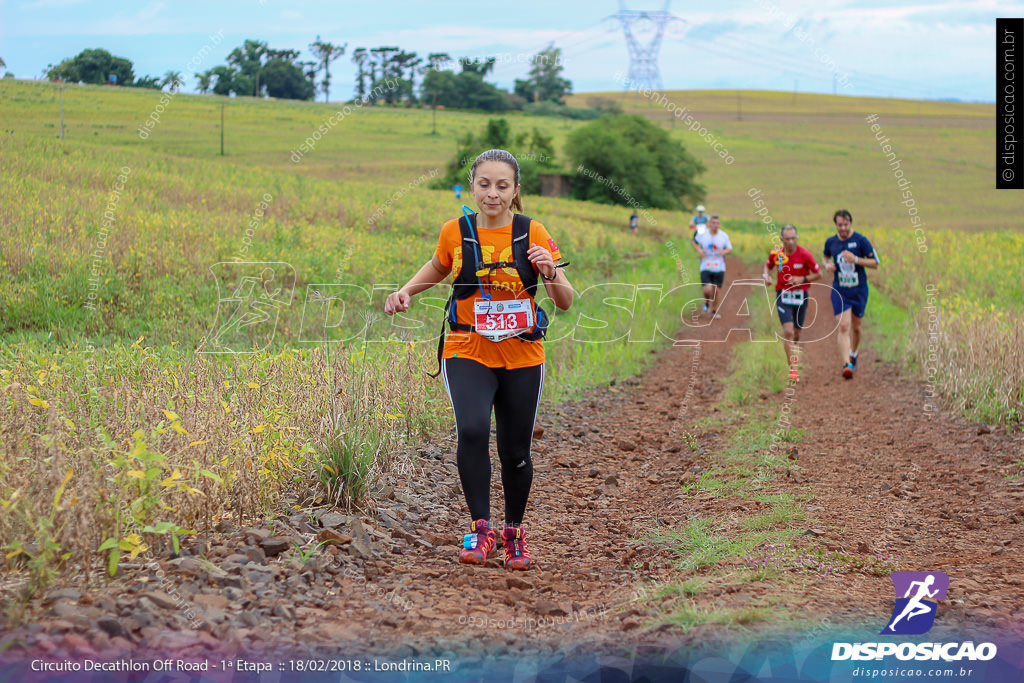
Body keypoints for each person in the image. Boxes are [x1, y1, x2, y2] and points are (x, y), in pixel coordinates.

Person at [384, 149, 573, 571]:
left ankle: (514, 534)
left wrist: (550, 271)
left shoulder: (533, 232)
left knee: (515, 450)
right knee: (471, 430)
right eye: (484, 184)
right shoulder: (456, 230)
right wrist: (406, 292)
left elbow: (565, 302)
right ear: (473, 186)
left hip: (523, 353)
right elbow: (438, 266)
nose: (492, 193)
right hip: (467, 348)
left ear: (516, 191)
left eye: (502, 186)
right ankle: (480, 527)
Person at [823, 209, 879, 379]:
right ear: (836, 225)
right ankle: (846, 364)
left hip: (859, 290)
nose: (843, 228)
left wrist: (856, 259)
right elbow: (825, 257)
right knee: (844, 326)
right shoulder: (831, 242)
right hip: (840, 290)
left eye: (846, 225)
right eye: (840, 225)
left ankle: (854, 353)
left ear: (850, 223)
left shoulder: (861, 241)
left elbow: (875, 263)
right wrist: (827, 265)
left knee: (856, 327)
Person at [763, 225, 822, 382]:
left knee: (796, 334)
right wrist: (766, 276)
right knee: (788, 332)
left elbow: (818, 274)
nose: (790, 242)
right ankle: (793, 370)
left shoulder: (804, 254)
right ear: (782, 239)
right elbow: (768, 266)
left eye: (793, 238)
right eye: (787, 239)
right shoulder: (776, 253)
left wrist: (801, 279)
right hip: (783, 294)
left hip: (801, 295)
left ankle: (793, 352)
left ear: (797, 237)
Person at [692, 215, 731, 318]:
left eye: (717, 223)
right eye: (713, 223)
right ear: (709, 224)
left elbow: (729, 249)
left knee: (716, 290)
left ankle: (714, 310)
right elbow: (694, 242)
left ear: (720, 224)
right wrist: (699, 250)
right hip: (705, 264)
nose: (715, 225)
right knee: (707, 289)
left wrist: (724, 251)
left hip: (719, 266)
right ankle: (706, 303)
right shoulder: (702, 234)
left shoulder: (724, 236)